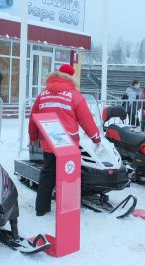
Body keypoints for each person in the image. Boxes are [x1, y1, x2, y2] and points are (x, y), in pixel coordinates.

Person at [28, 64, 102, 216]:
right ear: (71, 77)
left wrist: (33, 137)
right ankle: (67, 210)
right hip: (68, 146)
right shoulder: (74, 95)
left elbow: (33, 117)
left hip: (48, 143)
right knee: (68, 176)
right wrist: (96, 138)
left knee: (47, 174)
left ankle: (41, 209)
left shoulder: (43, 94)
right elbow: (86, 119)